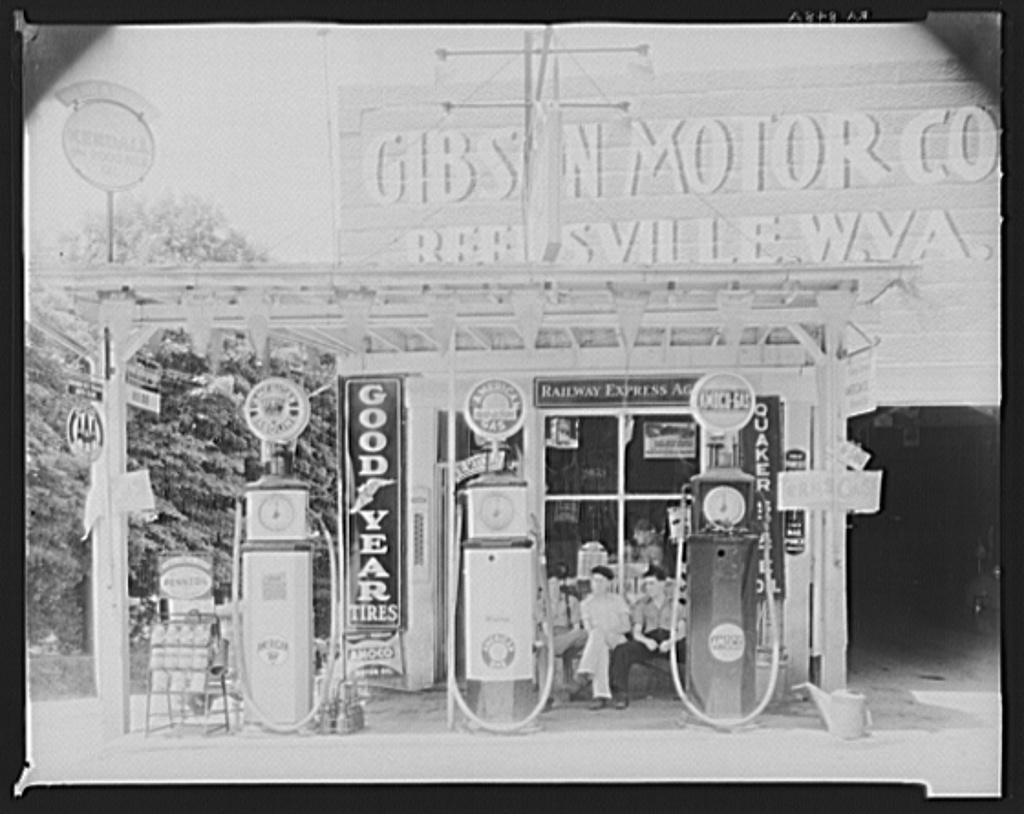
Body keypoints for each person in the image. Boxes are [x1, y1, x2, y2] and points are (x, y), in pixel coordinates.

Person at [609, 565, 686, 709]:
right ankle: (620, 694)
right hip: (650, 639)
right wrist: (646, 641)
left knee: (693, 650)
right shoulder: (642, 605)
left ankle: (692, 691)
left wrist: (670, 642)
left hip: (672, 639)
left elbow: (682, 631)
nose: (648, 588)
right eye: (646, 584)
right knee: (622, 650)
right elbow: (637, 631)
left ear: (662, 584)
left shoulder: (675, 604)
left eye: (652, 584)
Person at [574, 565, 631, 710]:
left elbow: (626, 626)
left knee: (599, 636)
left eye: (600, 581)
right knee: (601, 647)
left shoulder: (617, 600)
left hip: (617, 638)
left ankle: (586, 672)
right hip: (597, 641)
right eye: (594, 581)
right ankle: (601, 694)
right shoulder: (586, 603)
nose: (596, 585)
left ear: (608, 583)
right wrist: (602, 635)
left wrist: (608, 632)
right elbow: (588, 629)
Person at [547, 562, 587, 687]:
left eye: (554, 583)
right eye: (549, 584)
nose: (552, 587)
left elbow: (576, 628)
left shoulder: (571, 601)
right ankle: (571, 681)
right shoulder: (541, 603)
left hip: (568, 635)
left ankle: (558, 648)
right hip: (549, 636)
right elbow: (543, 628)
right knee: (546, 642)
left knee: (585, 634)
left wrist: (567, 639)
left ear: (559, 584)